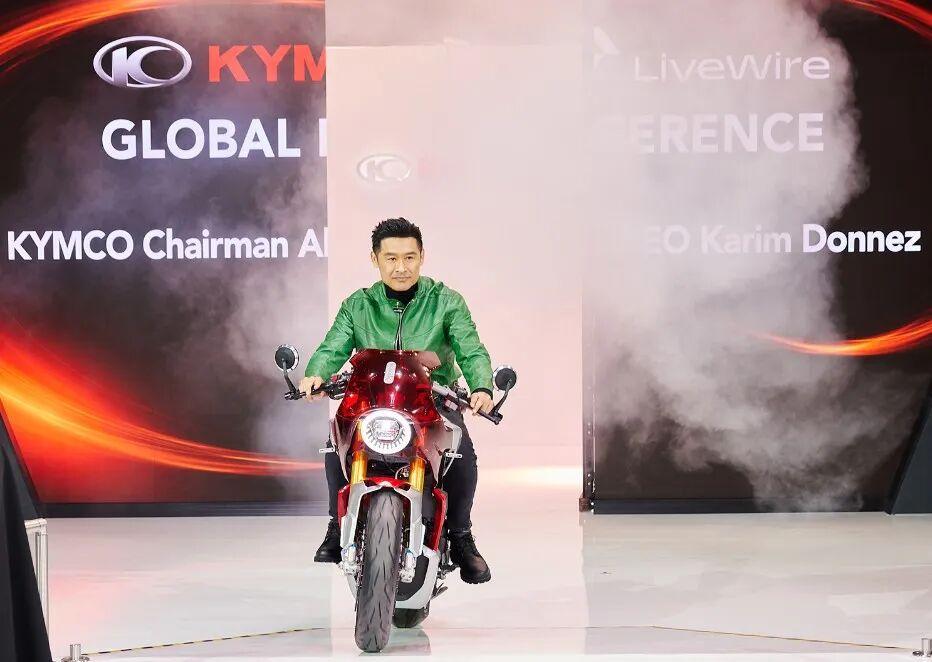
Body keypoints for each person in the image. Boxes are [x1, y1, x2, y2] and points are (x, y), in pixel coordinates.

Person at [299, 217, 494, 584]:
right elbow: (332, 346)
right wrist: (316, 374)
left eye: (409, 257)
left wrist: (481, 386)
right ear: (375, 259)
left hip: (431, 398)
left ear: (422, 257)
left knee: (462, 453)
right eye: (391, 258)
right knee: (335, 441)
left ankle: (461, 535)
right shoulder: (358, 305)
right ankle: (335, 524)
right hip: (371, 399)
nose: (400, 267)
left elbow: (471, 348)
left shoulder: (446, 302)